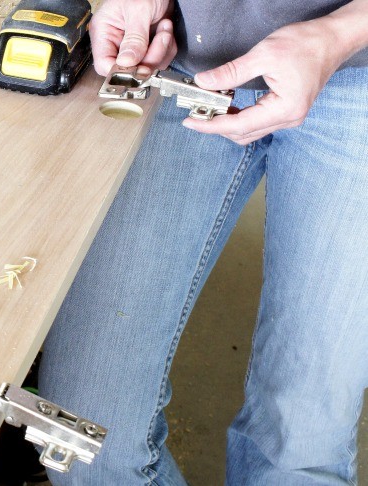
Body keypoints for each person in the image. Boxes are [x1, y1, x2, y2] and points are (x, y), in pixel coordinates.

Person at [38, 0, 368, 484]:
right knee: (82, 438)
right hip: (185, 54)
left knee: (301, 445)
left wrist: (342, 32)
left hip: (359, 71)